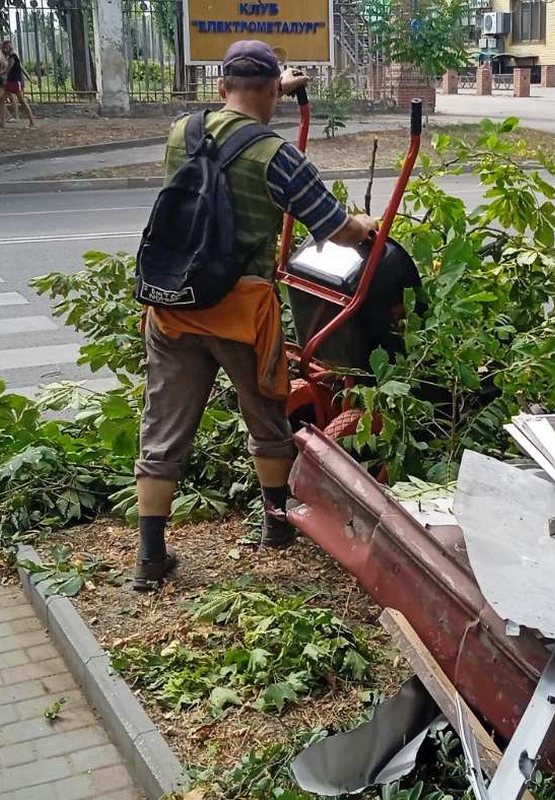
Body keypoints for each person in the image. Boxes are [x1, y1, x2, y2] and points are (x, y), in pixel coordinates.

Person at [132, 40, 377, 591]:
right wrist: (360, 228)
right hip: (240, 312)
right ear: (271, 92)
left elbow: (234, 118)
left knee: (164, 425)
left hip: (172, 305)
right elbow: (333, 227)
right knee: (267, 413)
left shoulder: (182, 132)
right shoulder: (275, 155)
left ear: (221, 88)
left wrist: (271, 87)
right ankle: (276, 526)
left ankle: (149, 557)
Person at [0, 41, 34, 129]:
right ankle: (2, 122)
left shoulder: (13, 57)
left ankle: (31, 121)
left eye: (5, 48)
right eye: (3, 48)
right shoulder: (9, 57)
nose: (4, 49)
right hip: (10, 82)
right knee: (1, 99)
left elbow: (6, 71)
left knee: (22, 102)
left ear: (9, 47)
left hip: (14, 82)